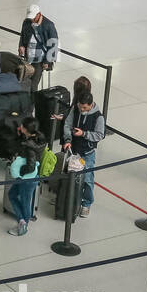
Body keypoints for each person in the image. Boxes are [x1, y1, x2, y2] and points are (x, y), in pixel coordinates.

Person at [61, 89, 105, 217]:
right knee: (68, 176)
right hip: (73, 151)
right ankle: (68, 199)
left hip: (87, 153)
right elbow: (67, 125)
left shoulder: (98, 117)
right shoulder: (75, 109)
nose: (82, 110)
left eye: (85, 108)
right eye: (80, 107)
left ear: (91, 105)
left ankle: (86, 204)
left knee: (87, 180)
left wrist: (84, 134)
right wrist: (68, 139)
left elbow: (99, 135)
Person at [7, 122, 43, 236]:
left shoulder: (29, 146)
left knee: (25, 201)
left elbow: (31, 166)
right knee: (12, 194)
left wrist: (20, 173)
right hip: (28, 178)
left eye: (23, 126)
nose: (20, 126)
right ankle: (22, 220)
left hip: (27, 178)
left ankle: (23, 224)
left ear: (26, 129)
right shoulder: (35, 140)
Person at [18, 4, 58, 93]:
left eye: (33, 17)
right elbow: (23, 36)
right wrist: (21, 46)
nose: (32, 20)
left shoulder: (49, 25)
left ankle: (32, 104)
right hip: (28, 57)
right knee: (23, 82)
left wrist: (48, 61)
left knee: (33, 85)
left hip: (40, 60)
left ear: (39, 14)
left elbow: (53, 44)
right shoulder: (26, 22)